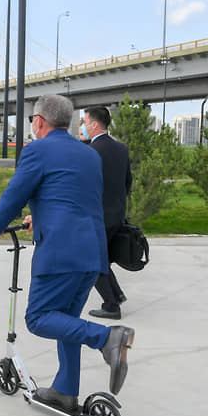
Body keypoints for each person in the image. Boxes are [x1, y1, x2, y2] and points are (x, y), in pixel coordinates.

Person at [0, 94, 135, 413]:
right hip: (91, 251)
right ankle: (65, 391)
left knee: (38, 318)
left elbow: (14, 194)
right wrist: (38, 217)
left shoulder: (36, 149)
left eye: (31, 121)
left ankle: (107, 338)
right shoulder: (89, 154)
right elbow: (73, 198)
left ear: (39, 121)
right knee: (66, 321)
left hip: (60, 253)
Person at [83, 106, 133, 320]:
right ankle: (117, 295)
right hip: (117, 215)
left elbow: (83, 187)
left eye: (85, 122)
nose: (83, 126)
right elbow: (127, 182)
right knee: (101, 259)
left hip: (96, 217)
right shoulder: (121, 149)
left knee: (90, 261)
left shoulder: (90, 152)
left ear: (94, 125)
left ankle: (111, 305)